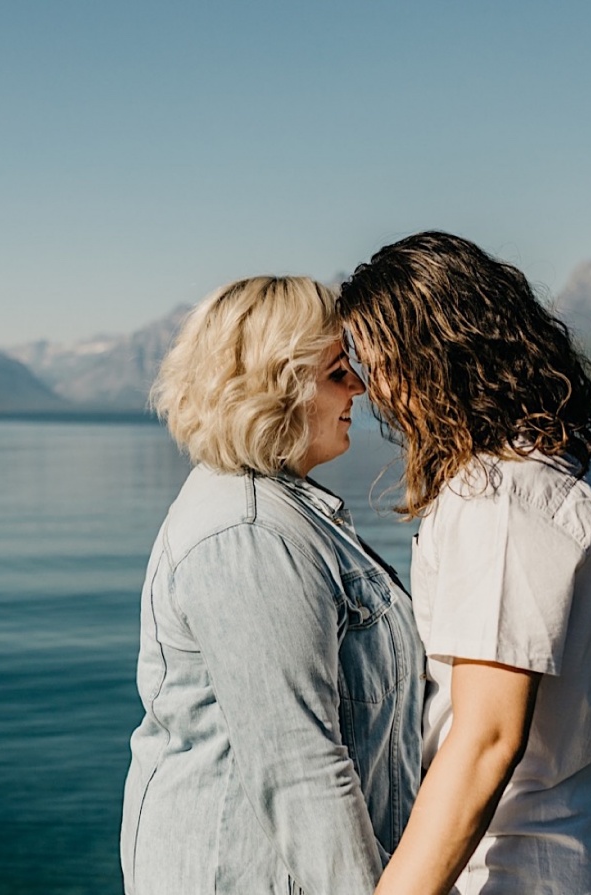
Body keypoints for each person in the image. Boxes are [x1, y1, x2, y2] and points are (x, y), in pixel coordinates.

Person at [337, 232, 591, 895]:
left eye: (384, 361)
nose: (370, 387)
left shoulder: (502, 497)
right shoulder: (555, 466)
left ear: (442, 351)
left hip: (506, 872)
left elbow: (486, 740)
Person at [121, 276, 423, 894]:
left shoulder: (281, 512)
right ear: (279, 386)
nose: (360, 389)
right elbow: (299, 772)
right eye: (339, 372)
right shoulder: (250, 533)